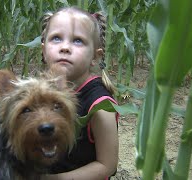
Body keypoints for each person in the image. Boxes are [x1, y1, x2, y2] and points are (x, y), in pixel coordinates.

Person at [40, 6, 119, 180]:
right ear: (44, 50)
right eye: (56, 38)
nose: (65, 47)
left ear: (95, 57)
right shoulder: (41, 91)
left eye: (77, 41)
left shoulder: (100, 104)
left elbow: (107, 165)